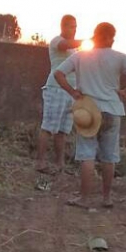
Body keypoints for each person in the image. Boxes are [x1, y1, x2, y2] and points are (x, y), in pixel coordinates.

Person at [54, 22, 126, 209]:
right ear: (107, 37)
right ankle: (106, 198)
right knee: (109, 157)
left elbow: (58, 74)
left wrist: (73, 92)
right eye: (111, 37)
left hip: (87, 110)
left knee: (87, 155)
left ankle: (85, 199)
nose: (112, 40)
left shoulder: (81, 56)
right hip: (112, 110)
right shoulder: (119, 57)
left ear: (95, 36)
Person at [36, 15, 83, 175]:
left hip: (70, 91)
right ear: (63, 27)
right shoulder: (57, 41)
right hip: (56, 89)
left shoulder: (75, 49)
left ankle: (59, 163)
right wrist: (90, 40)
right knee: (48, 127)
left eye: (75, 26)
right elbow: (65, 45)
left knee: (63, 131)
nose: (74, 29)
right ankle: (41, 162)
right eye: (71, 26)